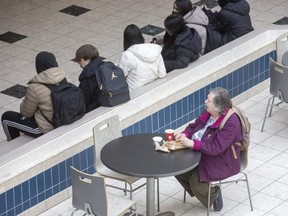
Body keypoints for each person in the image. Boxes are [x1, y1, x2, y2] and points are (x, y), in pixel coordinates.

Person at [174, 87, 242, 211]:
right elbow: (193, 126)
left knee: (196, 184)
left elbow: (216, 148)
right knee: (176, 167)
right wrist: (185, 134)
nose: (205, 102)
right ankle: (202, 187)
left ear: (218, 106)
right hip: (199, 152)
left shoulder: (231, 122)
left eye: (209, 100)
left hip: (221, 159)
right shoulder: (209, 112)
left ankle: (214, 194)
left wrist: (192, 144)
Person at [1, 51, 66, 141]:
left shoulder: (35, 87)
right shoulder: (63, 79)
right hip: (65, 121)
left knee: (6, 117)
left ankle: (13, 145)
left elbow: (25, 113)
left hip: (45, 129)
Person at [117, 24, 166, 91]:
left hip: (134, 92)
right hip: (154, 88)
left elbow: (119, 77)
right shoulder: (154, 50)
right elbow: (162, 74)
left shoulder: (126, 55)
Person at [73, 44, 103, 112]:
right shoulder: (105, 66)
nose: (78, 63)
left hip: (96, 111)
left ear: (87, 60)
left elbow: (83, 101)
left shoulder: (88, 77)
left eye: (80, 60)